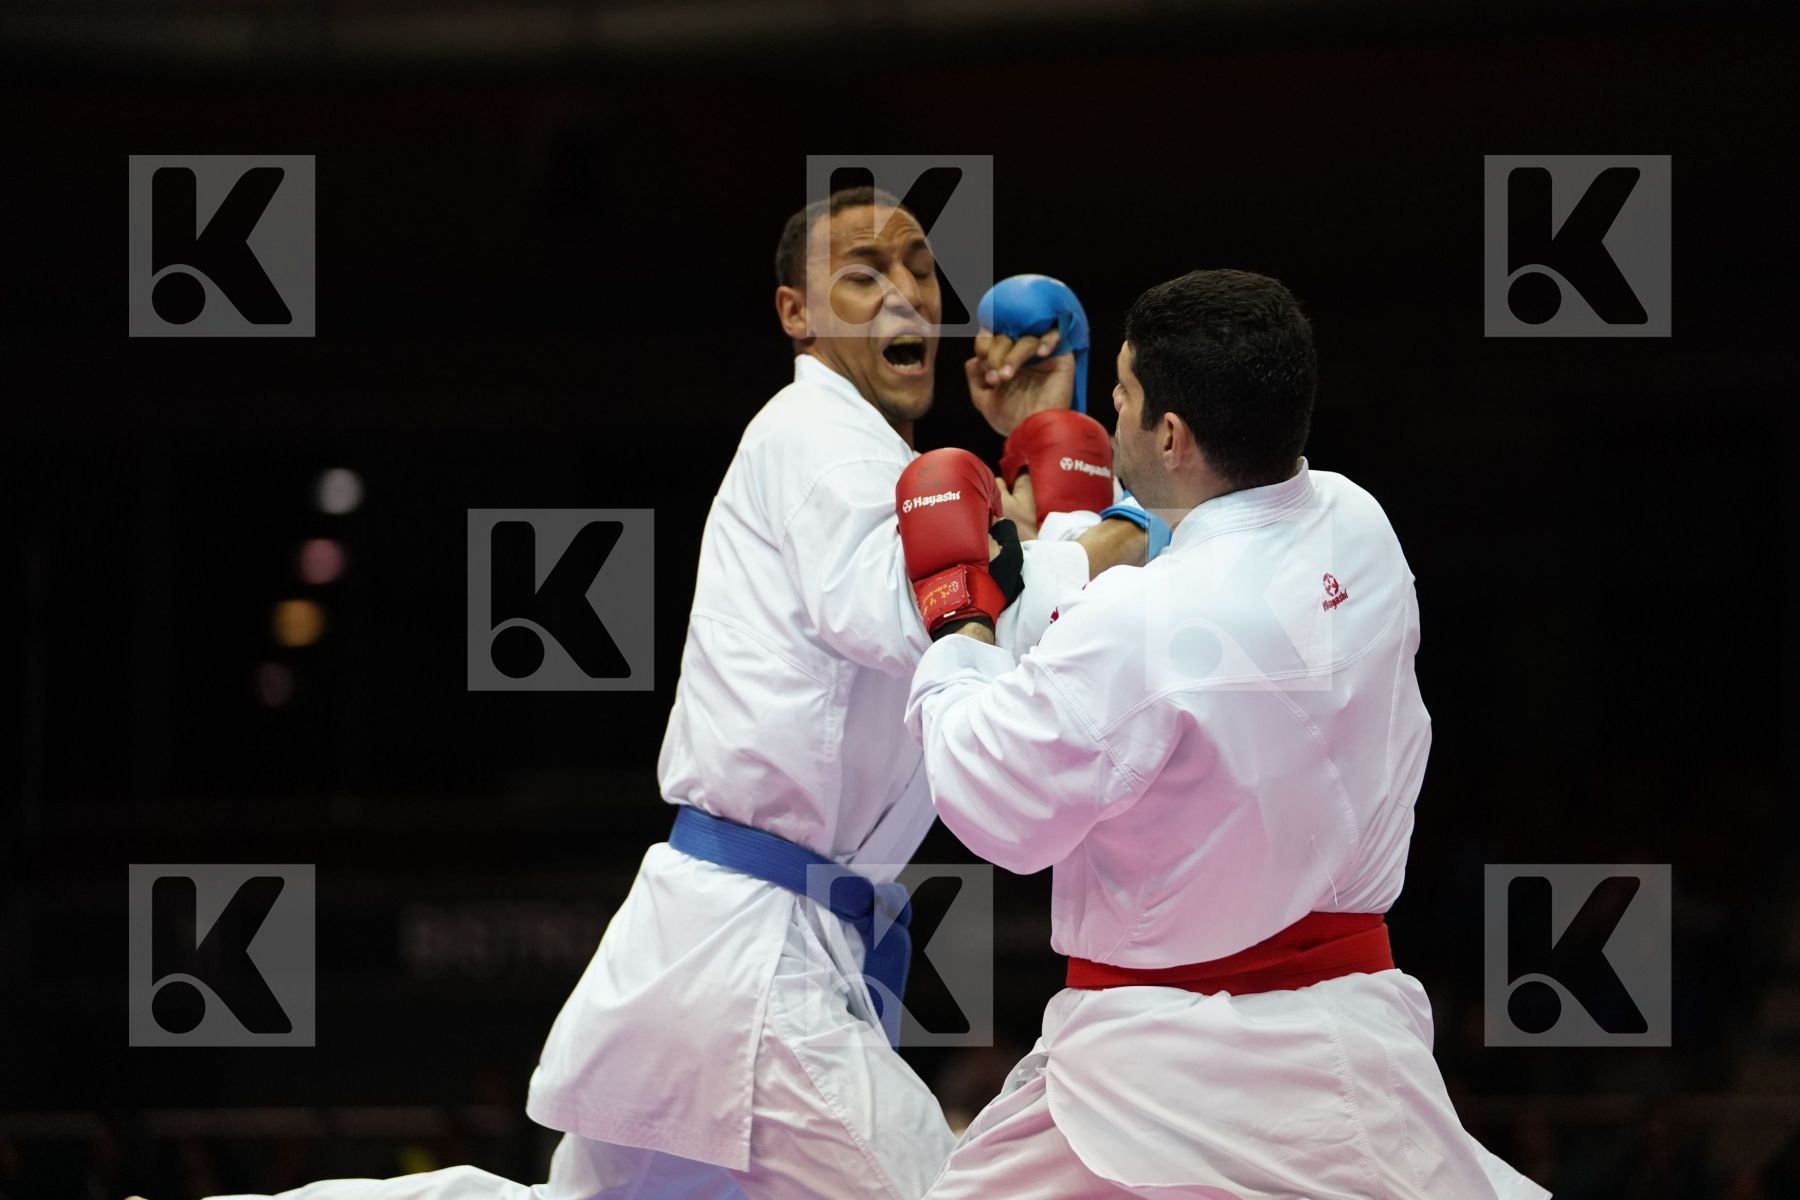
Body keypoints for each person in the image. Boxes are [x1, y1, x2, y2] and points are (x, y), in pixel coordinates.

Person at [202, 188, 1141, 1200]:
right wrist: (1113, 520)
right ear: (797, 313)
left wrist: (1045, 461)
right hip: (753, 961)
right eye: (864, 274)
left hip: (738, 938)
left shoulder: (881, 466)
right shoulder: (819, 440)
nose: (905, 292)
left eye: (919, 268)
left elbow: (979, 620)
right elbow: (930, 612)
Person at [898, 269, 1553, 1198]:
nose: (1110, 408)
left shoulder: (1144, 626)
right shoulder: (1358, 522)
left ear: (1170, 433)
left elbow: (995, 799)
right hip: (1343, 1035)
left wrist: (958, 622)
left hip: (1160, 1065)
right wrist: (1062, 493)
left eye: (1118, 395)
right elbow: (1171, 598)